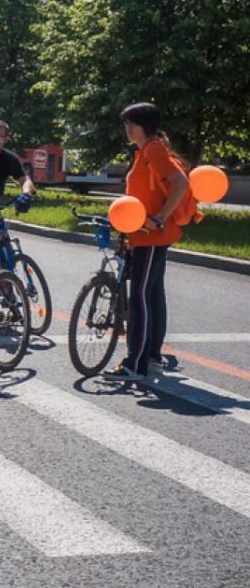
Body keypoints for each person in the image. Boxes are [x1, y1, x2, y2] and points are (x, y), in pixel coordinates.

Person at [108, 102, 189, 381]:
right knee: (153, 295)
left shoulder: (154, 149)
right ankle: (152, 358)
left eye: (132, 123)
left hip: (151, 235)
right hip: (145, 234)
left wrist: (160, 217)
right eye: (126, 123)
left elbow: (180, 183)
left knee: (140, 296)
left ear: (145, 126)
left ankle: (136, 364)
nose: (127, 128)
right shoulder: (144, 151)